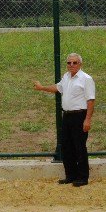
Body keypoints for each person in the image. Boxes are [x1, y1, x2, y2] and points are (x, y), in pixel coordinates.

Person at [33, 52, 95, 186]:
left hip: (79, 115)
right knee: (67, 146)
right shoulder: (66, 77)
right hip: (66, 115)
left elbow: (90, 100)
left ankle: (83, 177)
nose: (71, 65)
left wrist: (87, 120)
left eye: (74, 62)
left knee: (79, 147)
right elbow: (57, 87)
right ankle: (71, 175)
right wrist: (42, 88)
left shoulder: (86, 79)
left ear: (80, 64)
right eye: (69, 63)